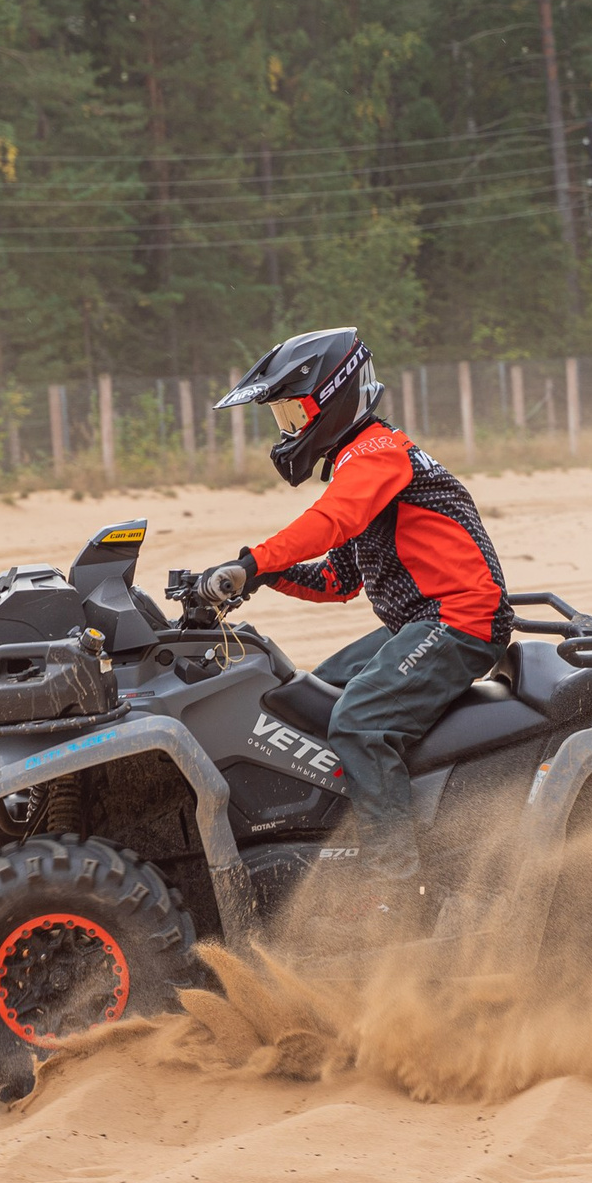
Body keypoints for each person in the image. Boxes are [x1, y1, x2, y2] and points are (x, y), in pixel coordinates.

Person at [197, 326, 510, 925]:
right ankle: (340, 837)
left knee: (360, 721)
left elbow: (330, 522)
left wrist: (252, 563)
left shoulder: (376, 452)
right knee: (308, 698)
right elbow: (338, 579)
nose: (288, 428)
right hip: (415, 623)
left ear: (333, 397)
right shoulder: (359, 463)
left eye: (293, 412)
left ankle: (399, 891)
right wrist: (262, 577)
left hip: (458, 620)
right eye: (282, 417)